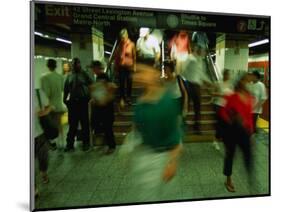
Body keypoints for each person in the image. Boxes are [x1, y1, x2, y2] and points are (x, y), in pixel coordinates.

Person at [131, 65, 183, 201]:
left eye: (143, 72)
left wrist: (172, 163)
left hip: (163, 158)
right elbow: (137, 128)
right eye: (137, 73)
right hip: (146, 155)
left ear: (154, 74)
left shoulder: (167, 102)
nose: (137, 76)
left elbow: (176, 136)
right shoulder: (141, 102)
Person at [219, 73, 255, 192]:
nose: (248, 82)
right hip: (232, 131)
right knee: (230, 156)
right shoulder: (231, 97)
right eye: (245, 80)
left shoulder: (250, 97)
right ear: (240, 82)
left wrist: (251, 133)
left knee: (248, 155)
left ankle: (251, 180)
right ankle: (228, 179)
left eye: (248, 81)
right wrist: (233, 118)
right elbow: (223, 112)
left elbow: (249, 116)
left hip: (244, 132)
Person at [63, 58, 93, 152]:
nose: (75, 65)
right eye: (73, 64)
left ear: (80, 64)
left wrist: (90, 98)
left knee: (85, 123)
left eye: (77, 64)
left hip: (83, 102)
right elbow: (66, 90)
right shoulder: (69, 76)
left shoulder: (84, 74)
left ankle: (86, 143)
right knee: (72, 124)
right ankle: (70, 144)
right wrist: (65, 101)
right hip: (73, 103)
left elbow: (92, 85)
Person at [181, 45, 211, 134]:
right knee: (186, 106)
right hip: (188, 84)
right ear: (197, 50)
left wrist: (209, 82)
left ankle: (196, 127)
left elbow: (202, 74)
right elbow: (182, 70)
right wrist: (186, 80)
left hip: (197, 86)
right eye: (202, 51)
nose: (203, 53)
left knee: (197, 107)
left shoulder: (201, 61)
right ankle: (182, 125)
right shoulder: (189, 58)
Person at [90, 61, 117, 154]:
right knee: (102, 125)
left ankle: (112, 146)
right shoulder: (99, 77)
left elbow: (112, 87)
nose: (93, 70)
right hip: (102, 106)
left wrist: (105, 98)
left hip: (106, 107)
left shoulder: (103, 77)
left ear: (97, 68)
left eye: (93, 68)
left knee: (108, 127)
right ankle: (107, 144)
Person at [41, 59, 65, 149]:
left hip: (49, 106)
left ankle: (53, 144)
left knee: (50, 126)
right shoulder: (60, 77)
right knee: (59, 125)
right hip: (59, 105)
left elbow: (45, 93)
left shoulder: (44, 77)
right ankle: (61, 143)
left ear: (47, 66)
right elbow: (62, 89)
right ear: (56, 66)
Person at [34, 89, 51, 198]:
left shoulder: (37, 93)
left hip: (39, 133)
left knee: (43, 157)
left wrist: (45, 112)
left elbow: (49, 106)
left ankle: (43, 171)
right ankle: (33, 188)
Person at [211, 69, 233, 150]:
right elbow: (212, 93)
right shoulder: (218, 83)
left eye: (229, 75)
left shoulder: (231, 84)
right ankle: (215, 141)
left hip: (227, 107)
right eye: (227, 74)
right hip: (219, 105)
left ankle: (224, 140)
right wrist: (221, 94)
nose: (228, 76)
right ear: (223, 75)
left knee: (227, 124)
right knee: (219, 124)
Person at [114, 28, 136, 107]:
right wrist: (116, 69)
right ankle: (122, 98)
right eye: (121, 37)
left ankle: (129, 98)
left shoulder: (131, 44)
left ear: (127, 36)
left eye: (123, 37)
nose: (122, 39)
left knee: (129, 82)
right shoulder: (119, 45)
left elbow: (134, 56)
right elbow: (116, 58)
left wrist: (134, 66)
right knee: (122, 83)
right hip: (121, 67)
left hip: (129, 67)